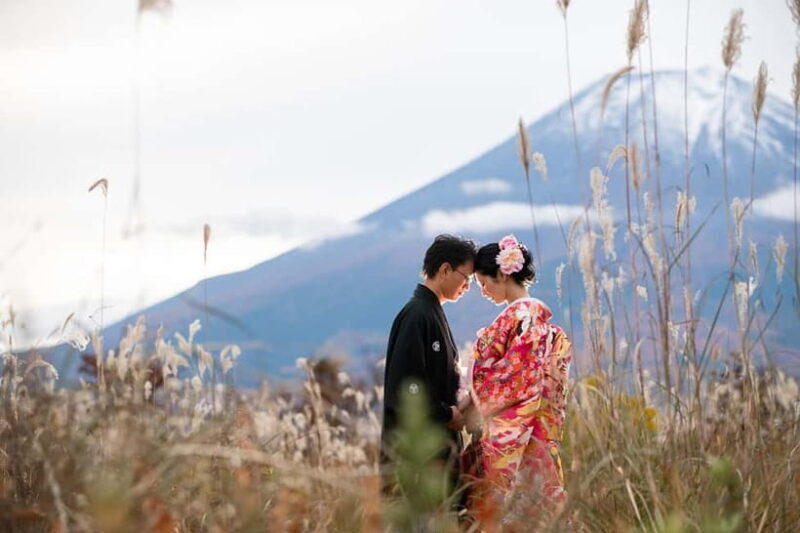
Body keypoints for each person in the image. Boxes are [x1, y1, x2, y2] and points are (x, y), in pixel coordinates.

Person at [462, 234, 572, 520]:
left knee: (512, 506)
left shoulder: (523, 318)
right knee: (536, 503)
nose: (484, 291)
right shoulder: (533, 319)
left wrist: (474, 387)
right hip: (534, 424)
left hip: (515, 426)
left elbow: (512, 378)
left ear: (501, 274)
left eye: (484, 283)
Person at [381, 234, 477, 500]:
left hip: (437, 453)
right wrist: (447, 414)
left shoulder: (431, 311)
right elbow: (406, 388)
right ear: (445, 269)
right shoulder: (417, 315)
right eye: (466, 278)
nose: (468, 286)